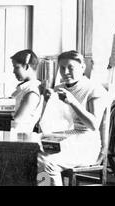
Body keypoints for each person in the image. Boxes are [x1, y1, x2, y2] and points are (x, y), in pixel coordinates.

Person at [38, 50, 109, 186]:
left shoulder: (93, 89)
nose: (65, 72)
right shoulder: (59, 88)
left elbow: (93, 125)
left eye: (71, 67)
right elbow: (53, 121)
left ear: (82, 67)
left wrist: (72, 102)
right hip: (64, 139)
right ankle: (45, 184)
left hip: (86, 144)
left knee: (45, 161)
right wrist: (47, 101)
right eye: (62, 68)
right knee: (31, 152)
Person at [10, 49, 43, 133]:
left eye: (16, 67)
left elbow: (17, 122)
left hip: (19, 138)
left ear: (27, 67)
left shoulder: (31, 93)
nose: (13, 71)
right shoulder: (24, 89)